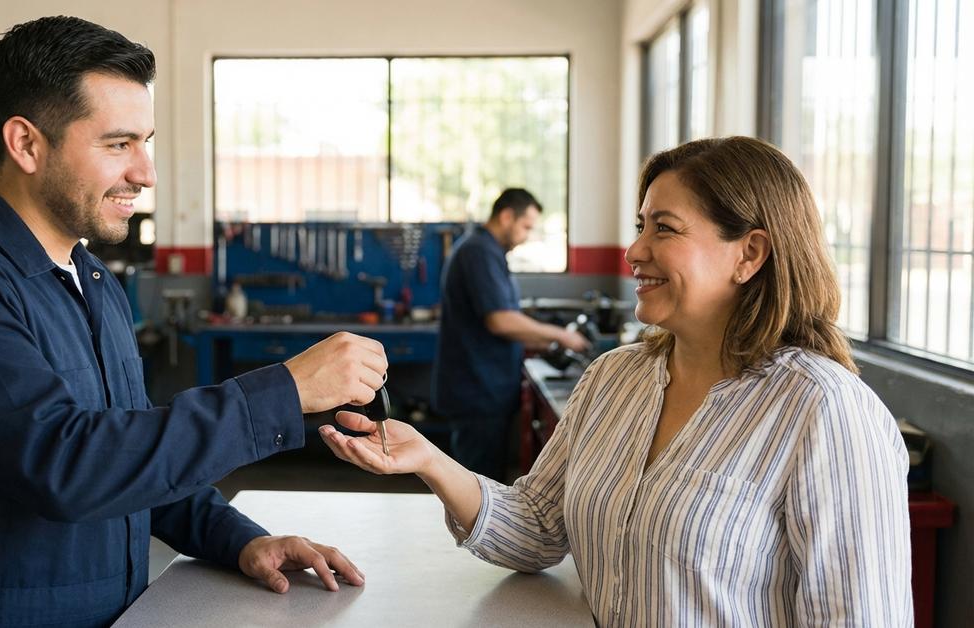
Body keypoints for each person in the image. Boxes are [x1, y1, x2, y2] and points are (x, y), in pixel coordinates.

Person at [0, 16, 385, 627]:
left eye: (145, 142)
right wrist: (286, 391)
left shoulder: (91, 279)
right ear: (25, 143)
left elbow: (131, 458)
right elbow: (68, 468)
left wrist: (237, 539)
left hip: (115, 612)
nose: (145, 173)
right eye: (118, 144)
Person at [323, 137, 912, 625]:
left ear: (749, 254)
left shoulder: (824, 410)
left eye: (665, 228)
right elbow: (536, 529)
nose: (633, 250)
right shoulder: (613, 380)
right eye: (639, 225)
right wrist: (429, 459)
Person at [433, 188, 589, 481]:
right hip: (477, 391)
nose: (526, 236)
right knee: (476, 487)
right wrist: (562, 336)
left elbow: (505, 321)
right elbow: (501, 321)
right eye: (525, 227)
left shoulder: (488, 252)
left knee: (483, 481)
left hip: (485, 388)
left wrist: (547, 341)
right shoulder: (479, 253)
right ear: (506, 216)